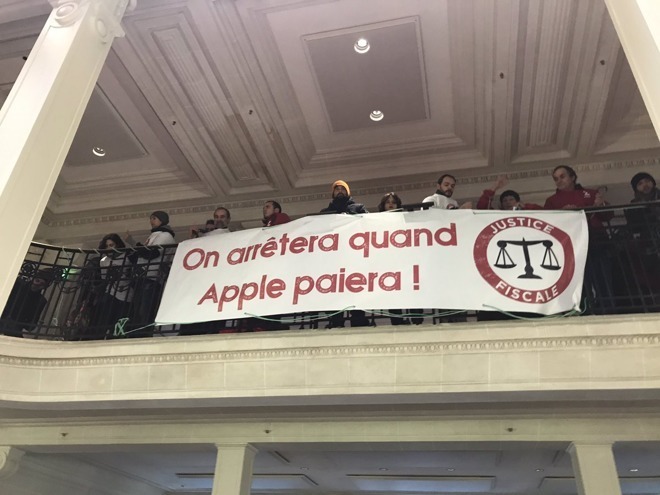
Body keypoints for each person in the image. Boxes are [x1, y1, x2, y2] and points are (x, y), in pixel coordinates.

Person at [319, 180, 370, 328]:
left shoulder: (359, 208)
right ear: (333, 193)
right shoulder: (324, 213)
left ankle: (358, 319)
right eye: (337, 189)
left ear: (348, 192)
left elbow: (368, 224)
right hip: (333, 257)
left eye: (343, 189)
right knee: (333, 287)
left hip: (353, 254)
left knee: (356, 285)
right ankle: (336, 321)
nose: (339, 191)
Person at [126, 210, 176, 336]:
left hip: (151, 279)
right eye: (151, 218)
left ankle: (142, 335)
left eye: (154, 218)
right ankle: (135, 334)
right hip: (142, 278)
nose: (151, 221)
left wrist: (134, 244)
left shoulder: (165, 236)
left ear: (162, 220)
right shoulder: (153, 236)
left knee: (144, 311)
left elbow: (151, 254)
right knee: (136, 311)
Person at [91, 234, 134, 338]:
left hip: (125, 293)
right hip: (109, 291)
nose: (109, 248)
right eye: (107, 246)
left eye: (112, 245)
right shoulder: (104, 261)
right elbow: (104, 277)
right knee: (104, 318)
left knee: (120, 320)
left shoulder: (128, 257)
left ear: (117, 245)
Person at [0, 269, 53, 338]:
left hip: (15, 327)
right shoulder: (17, 285)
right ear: (33, 279)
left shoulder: (41, 301)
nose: (37, 285)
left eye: (42, 284)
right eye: (37, 281)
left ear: (45, 287)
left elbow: (31, 325)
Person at [476, 175, 542, 210]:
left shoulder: (527, 210)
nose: (508, 202)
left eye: (511, 199)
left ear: (518, 201)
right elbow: (481, 208)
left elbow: (544, 212)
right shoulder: (498, 215)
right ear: (501, 205)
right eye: (504, 201)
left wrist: (525, 207)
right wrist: (494, 187)